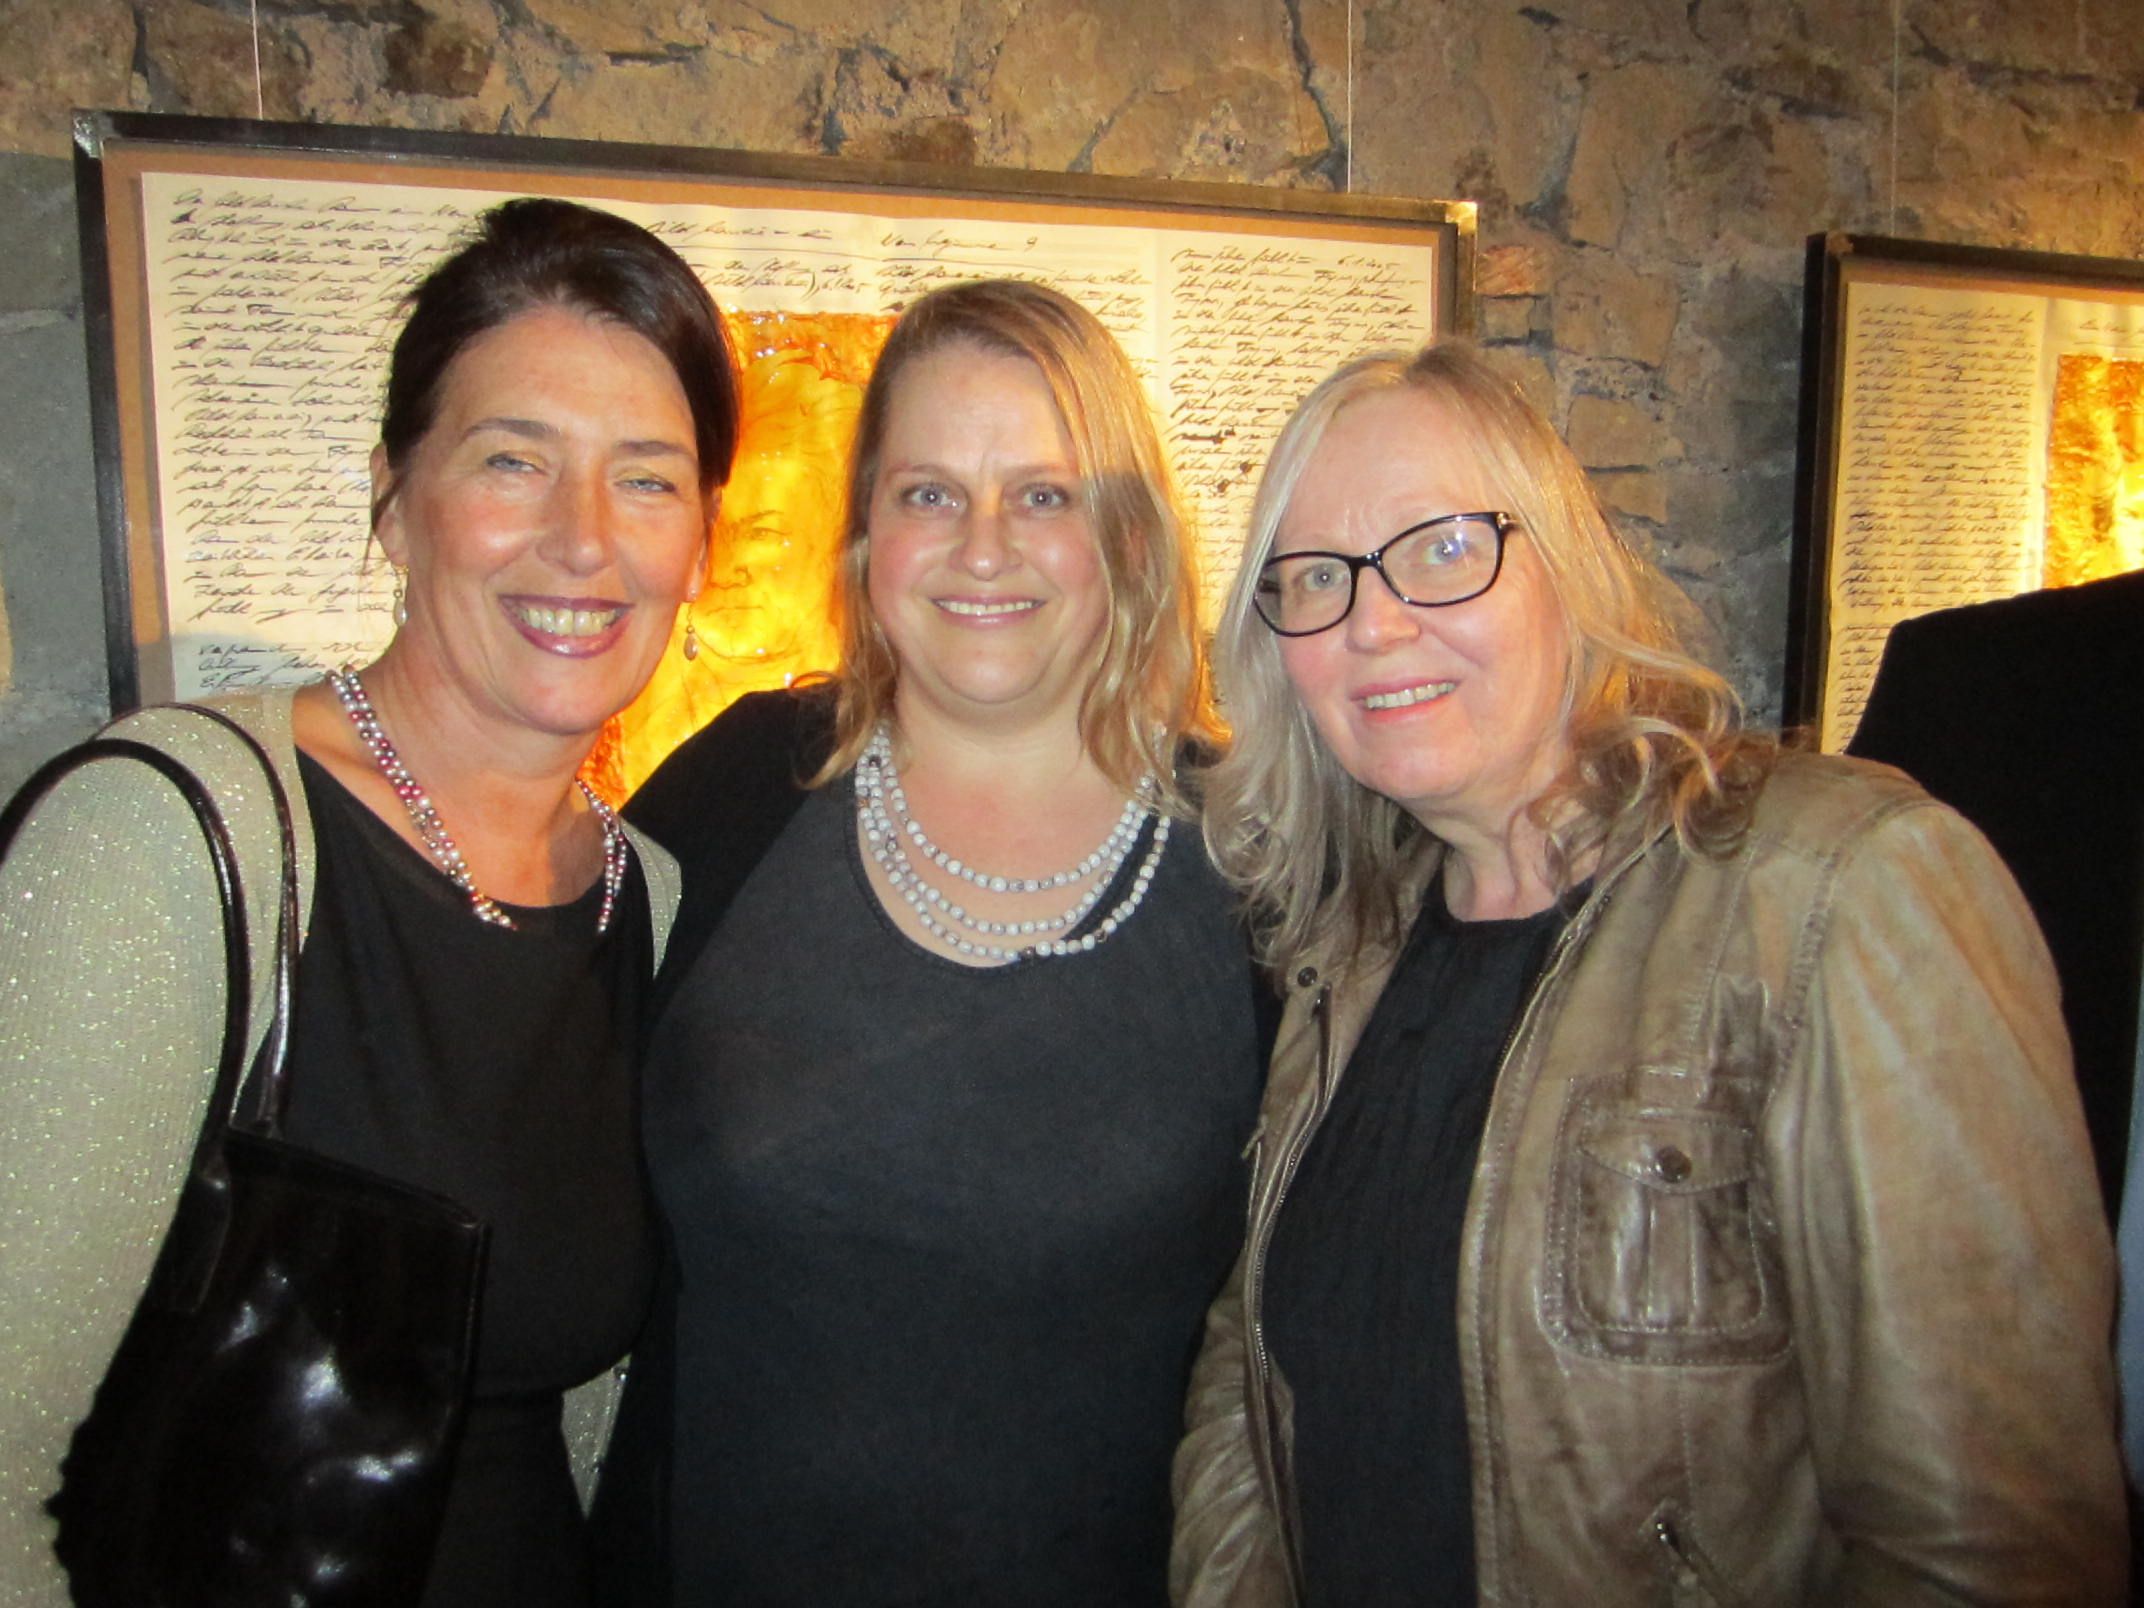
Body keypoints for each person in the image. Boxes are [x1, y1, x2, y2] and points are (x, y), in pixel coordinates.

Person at [1170, 344, 2126, 1605]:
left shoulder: (1839, 891)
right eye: (1313, 576)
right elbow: (1248, 1381)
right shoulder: (1342, 948)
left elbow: (1989, 1539)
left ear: (1566, 566)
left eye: (1442, 548)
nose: (1373, 622)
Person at [0, 196, 739, 1606]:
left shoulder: (640, 898)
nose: (583, 540)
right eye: (513, 460)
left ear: (701, 543)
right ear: (396, 502)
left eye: (646, 480)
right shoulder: (174, 839)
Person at [592, 278, 1265, 1605]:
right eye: (928, 493)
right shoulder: (734, 795)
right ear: (864, 539)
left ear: (1129, 537)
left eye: (1044, 494)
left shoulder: (1259, 870)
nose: (982, 547)